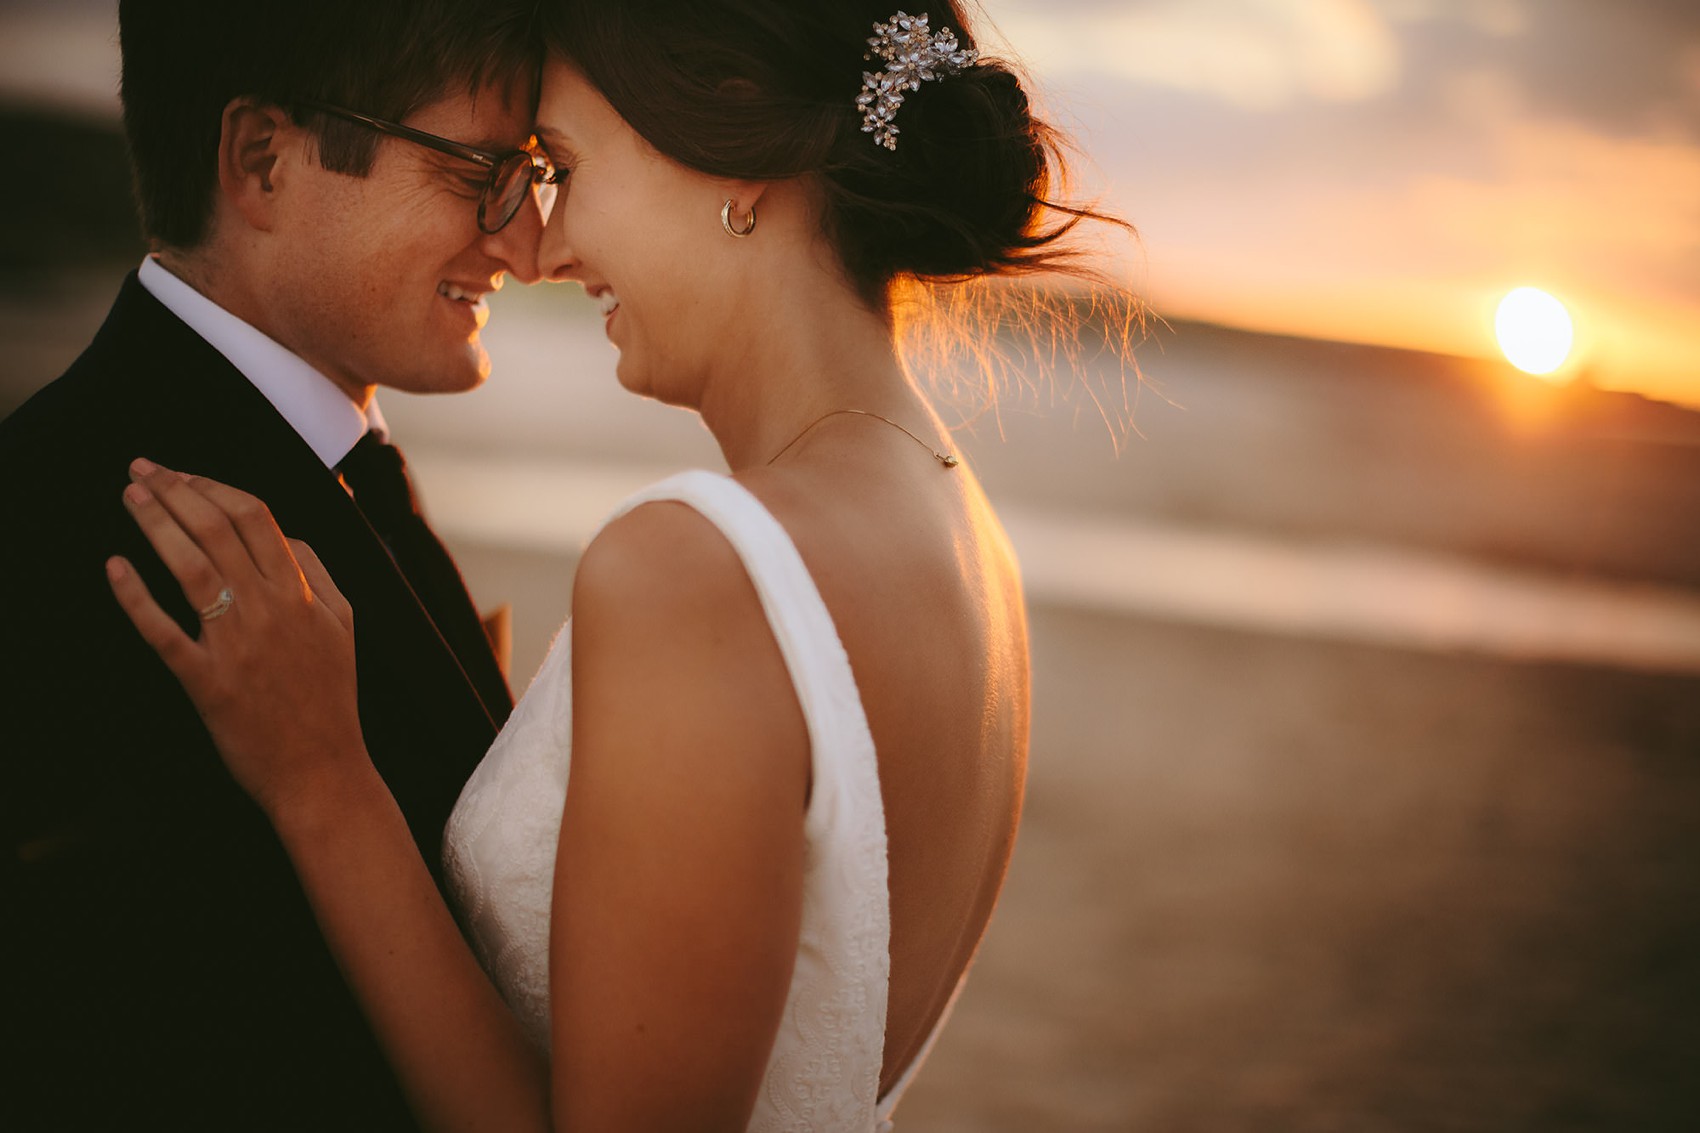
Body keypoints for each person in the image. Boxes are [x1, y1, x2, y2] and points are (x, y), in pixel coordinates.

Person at [107, 2, 1133, 1129]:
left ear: (734, 155)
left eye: (561, 164)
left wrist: (324, 784)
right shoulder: (962, 531)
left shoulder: (697, 571)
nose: (543, 247)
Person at [0, 1, 550, 1128]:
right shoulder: (76, 531)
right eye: (482, 172)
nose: (526, 241)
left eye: (535, 172)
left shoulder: (322, 459)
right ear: (261, 161)